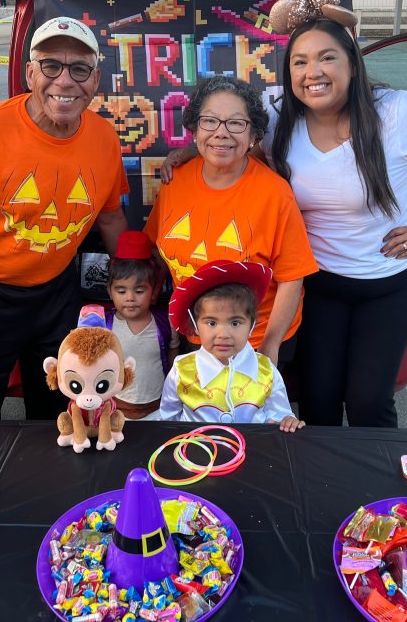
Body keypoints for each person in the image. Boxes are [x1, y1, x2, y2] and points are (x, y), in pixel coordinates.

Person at [267, 0, 407, 428]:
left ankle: (381, 477)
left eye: (327, 57)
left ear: (353, 63)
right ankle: (326, 475)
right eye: (300, 61)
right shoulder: (276, 115)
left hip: (391, 280)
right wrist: (184, 156)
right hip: (320, 280)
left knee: (369, 402)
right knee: (318, 400)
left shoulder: (397, 113)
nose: (313, 72)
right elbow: (222, 136)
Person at [0, 15, 130, 420]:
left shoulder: (104, 138)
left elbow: (110, 219)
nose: (65, 81)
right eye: (51, 66)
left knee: (58, 407)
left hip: (57, 293)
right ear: (30, 73)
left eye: (79, 69)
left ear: (95, 79)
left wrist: (136, 278)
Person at [144, 75, 317, 367]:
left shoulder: (275, 194)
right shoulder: (176, 180)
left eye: (236, 123)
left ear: (253, 136)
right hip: (195, 335)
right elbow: (158, 248)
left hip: (253, 343)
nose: (221, 133)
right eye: (210, 121)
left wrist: (270, 347)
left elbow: (291, 278)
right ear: (195, 130)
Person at [158, 260, 305, 432]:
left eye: (235, 323)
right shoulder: (181, 370)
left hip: (254, 447)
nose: (223, 334)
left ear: (251, 325)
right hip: (197, 448)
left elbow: (280, 415)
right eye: (212, 323)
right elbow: (167, 421)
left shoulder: (266, 370)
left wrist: (287, 420)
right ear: (196, 325)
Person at [106, 230, 176, 419]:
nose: (130, 298)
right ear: (110, 291)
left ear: (153, 290)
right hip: (115, 411)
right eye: (121, 291)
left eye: (139, 291)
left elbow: (173, 359)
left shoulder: (165, 323)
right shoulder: (103, 326)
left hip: (158, 410)